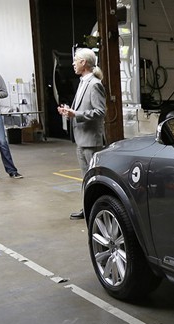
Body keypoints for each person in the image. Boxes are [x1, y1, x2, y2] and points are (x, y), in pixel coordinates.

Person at [58, 48, 105, 220]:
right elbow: (81, 109)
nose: (73, 64)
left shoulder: (94, 84)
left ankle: (96, 209)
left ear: (84, 63)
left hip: (91, 140)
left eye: (75, 60)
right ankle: (87, 209)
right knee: (86, 178)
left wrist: (75, 114)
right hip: (81, 139)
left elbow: (100, 112)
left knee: (94, 178)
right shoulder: (83, 82)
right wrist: (69, 111)